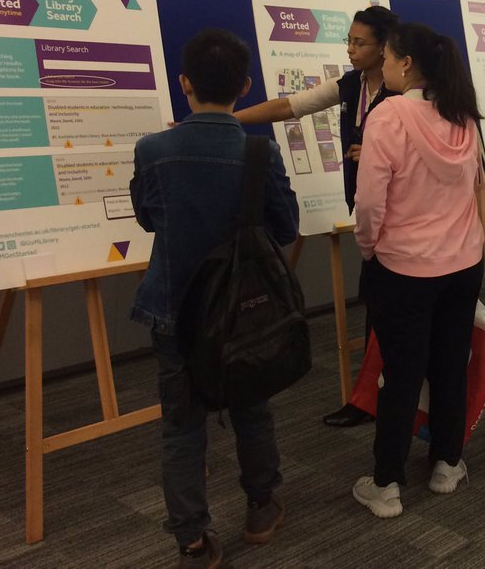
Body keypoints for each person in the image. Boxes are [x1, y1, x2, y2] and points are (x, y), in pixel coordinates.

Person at [131, 28, 299, 568]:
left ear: (184, 84)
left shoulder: (152, 150)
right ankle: (260, 506)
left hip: (173, 308)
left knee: (180, 425)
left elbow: (149, 218)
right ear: (245, 86)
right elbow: (286, 226)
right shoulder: (260, 152)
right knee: (252, 405)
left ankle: (193, 542)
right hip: (243, 309)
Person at [234, 4, 399, 428]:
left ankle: (377, 399)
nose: (350, 49)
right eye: (348, 40)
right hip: (367, 210)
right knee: (378, 306)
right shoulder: (350, 86)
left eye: (359, 43)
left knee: (389, 310)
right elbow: (291, 106)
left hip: (402, 218)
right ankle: (372, 395)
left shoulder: (409, 93)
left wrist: (383, 153)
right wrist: (228, 120)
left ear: (385, 47)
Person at [350, 22, 484, 519]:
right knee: (450, 366)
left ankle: (387, 485)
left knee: (400, 375)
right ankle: (448, 463)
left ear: (406, 63)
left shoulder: (389, 116)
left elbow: (369, 203)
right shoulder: (463, 115)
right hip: (463, 263)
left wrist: (369, 249)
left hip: (403, 267)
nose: (380, 65)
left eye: (385, 57)